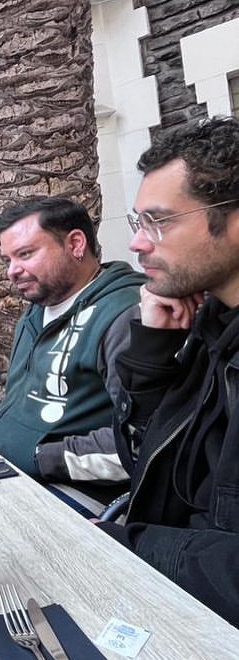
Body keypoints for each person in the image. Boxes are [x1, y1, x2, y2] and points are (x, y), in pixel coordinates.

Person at [98, 116, 239, 627]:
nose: (138, 244)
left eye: (159, 222)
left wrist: (125, 545)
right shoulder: (210, 325)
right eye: (138, 223)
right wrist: (154, 352)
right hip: (170, 588)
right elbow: (151, 465)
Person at [0, 197, 145, 512]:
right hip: (11, 476)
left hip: (78, 495)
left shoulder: (124, 315)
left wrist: (42, 457)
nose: (12, 271)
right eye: (8, 259)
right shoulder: (37, 311)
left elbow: (141, 442)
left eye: (26, 254)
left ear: (76, 244)